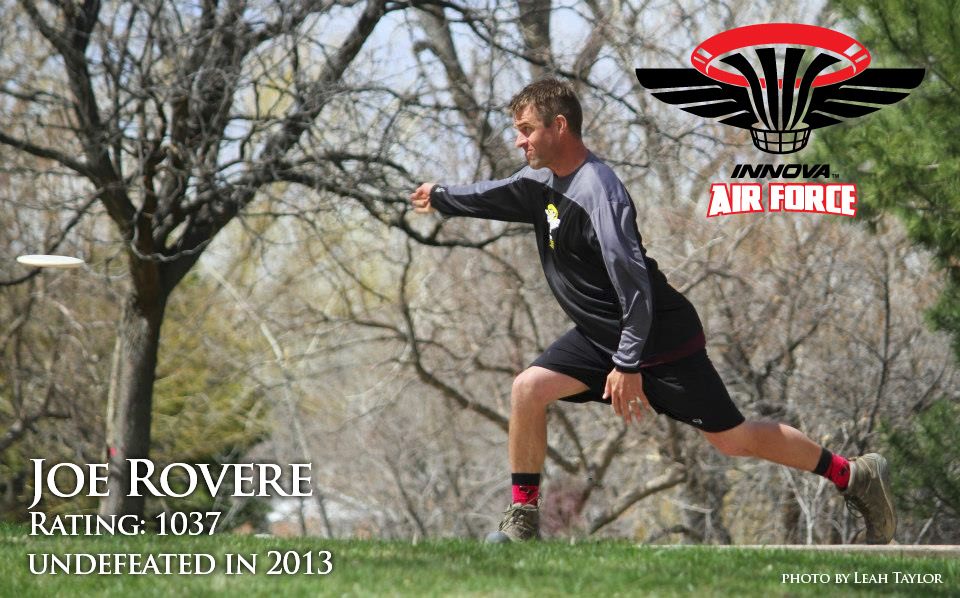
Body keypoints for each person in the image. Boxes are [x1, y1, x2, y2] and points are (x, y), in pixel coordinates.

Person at [409, 78, 895, 544]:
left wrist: (628, 364)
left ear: (559, 126)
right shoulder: (538, 181)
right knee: (528, 389)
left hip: (659, 340)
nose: (519, 141)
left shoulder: (601, 192)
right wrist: (441, 196)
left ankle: (852, 475)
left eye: (526, 130)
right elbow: (494, 194)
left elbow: (635, 287)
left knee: (733, 439)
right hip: (603, 336)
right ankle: (523, 516)